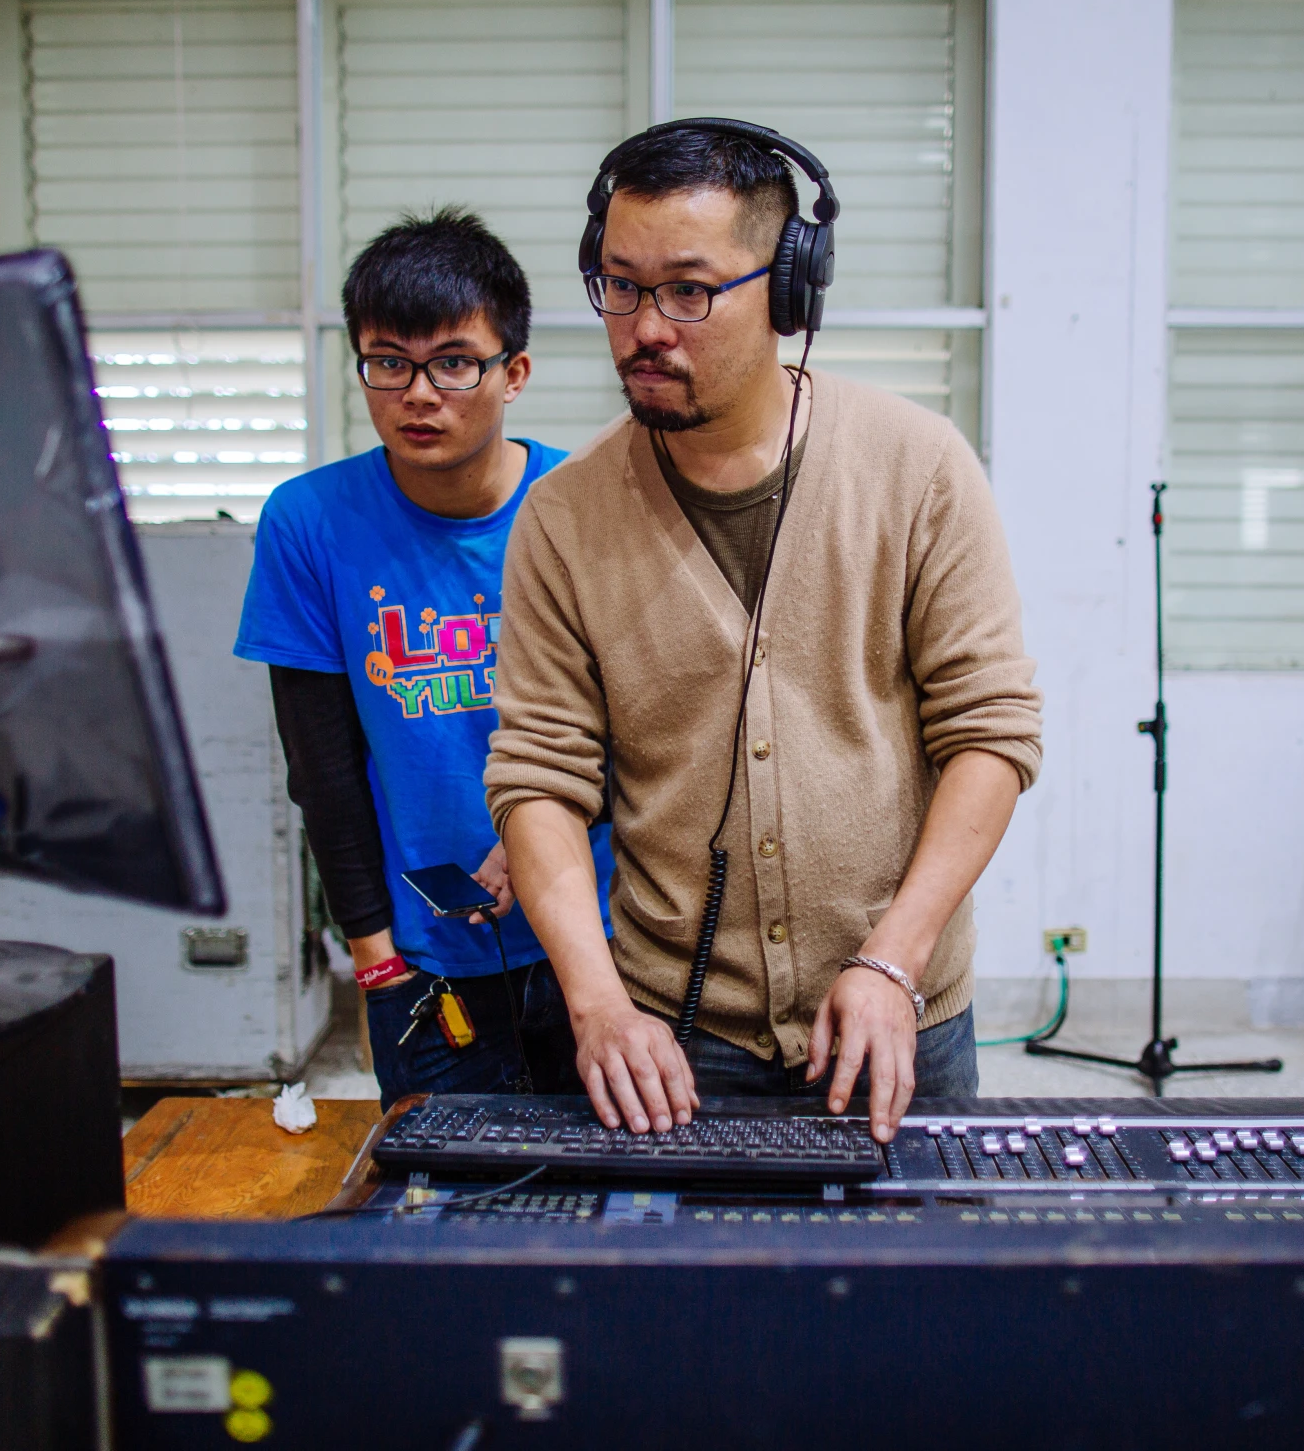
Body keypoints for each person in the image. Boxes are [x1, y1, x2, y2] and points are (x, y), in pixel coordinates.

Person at [485, 122, 1041, 1143]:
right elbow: (538, 778)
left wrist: (893, 957)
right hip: (673, 1040)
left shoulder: (917, 468)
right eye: (619, 285)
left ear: (790, 292)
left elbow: (991, 735)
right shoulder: (562, 519)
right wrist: (597, 1003)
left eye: (689, 291)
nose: (644, 327)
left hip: (899, 1010)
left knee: (918, 1295)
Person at [236, 207, 610, 1106]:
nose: (418, 392)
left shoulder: (590, 504)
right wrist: (372, 954)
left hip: (597, 941)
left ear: (513, 372)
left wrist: (545, 832)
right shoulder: (309, 521)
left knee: (609, 1205)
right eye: (388, 362)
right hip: (423, 960)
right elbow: (320, 766)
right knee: (442, 1209)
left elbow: (652, 722)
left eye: (453, 361)